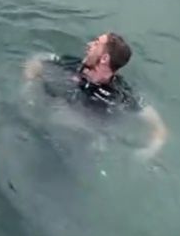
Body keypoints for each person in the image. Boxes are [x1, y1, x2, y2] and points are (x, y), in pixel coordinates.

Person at [23, 32, 168, 160]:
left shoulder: (119, 94)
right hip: (41, 134)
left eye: (96, 43)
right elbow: (36, 62)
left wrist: (150, 149)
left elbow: (159, 128)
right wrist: (29, 86)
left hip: (76, 148)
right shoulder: (73, 64)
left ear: (104, 58)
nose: (89, 45)